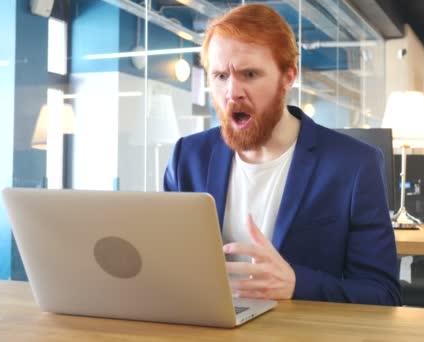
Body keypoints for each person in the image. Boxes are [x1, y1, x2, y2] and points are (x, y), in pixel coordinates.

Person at [164, 4, 400, 306]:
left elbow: (383, 294)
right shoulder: (188, 157)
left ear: (288, 77)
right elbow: (167, 268)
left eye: (249, 74)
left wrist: (296, 284)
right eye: (220, 76)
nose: (232, 92)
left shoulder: (354, 165)